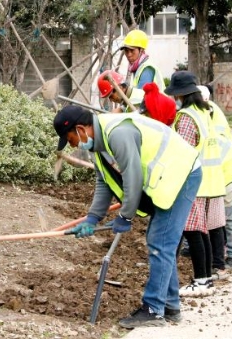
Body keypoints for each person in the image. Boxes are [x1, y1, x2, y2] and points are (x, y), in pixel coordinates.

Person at [53, 105, 202, 328]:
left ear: (81, 129)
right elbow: (104, 182)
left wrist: (126, 216)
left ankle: (153, 309)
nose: (73, 145)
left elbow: (133, 175)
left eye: (71, 139)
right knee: (160, 242)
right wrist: (92, 218)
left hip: (181, 174)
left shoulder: (117, 133)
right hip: (168, 178)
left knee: (160, 242)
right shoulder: (100, 144)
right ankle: (170, 306)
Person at [164, 71, 227, 296]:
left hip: (193, 182)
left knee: (192, 231)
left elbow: (183, 152)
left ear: (180, 95)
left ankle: (201, 281)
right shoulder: (204, 112)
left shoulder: (187, 118)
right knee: (201, 231)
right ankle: (207, 278)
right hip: (210, 181)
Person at [198, 85, 232, 271]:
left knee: (230, 216)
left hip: (231, 171)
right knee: (217, 216)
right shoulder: (202, 118)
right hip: (218, 172)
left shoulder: (211, 115)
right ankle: (222, 252)